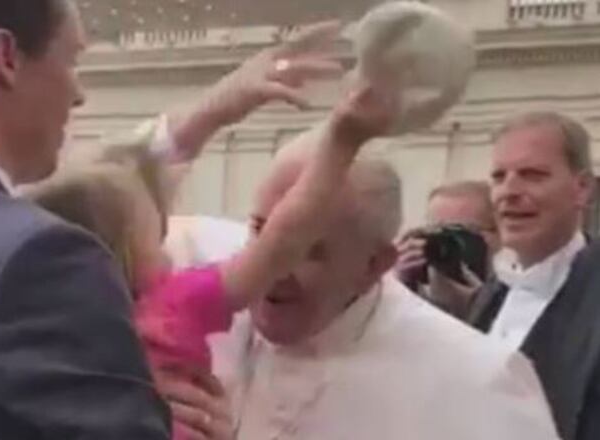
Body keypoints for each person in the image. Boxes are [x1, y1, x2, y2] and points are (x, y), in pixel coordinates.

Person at [0, 0, 342, 438]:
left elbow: (106, 176)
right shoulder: (39, 256)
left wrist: (220, 106)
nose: (80, 93)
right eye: (71, 61)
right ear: (5, 58)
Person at [30, 81, 394, 439]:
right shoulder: (174, 303)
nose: (170, 249)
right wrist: (341, 143)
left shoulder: (47, 330)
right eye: (157, 236)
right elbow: (283, 240)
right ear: (120, 256)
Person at [199, 134, 560, 439]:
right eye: (260, 230)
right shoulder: (202, 306)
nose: (269, 265)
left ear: (374, 265)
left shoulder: (480, 383)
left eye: (310, 250)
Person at [468, 111, 596, 440]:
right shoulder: (490, 293)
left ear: (582, 188)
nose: (508, 191)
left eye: (532, 175)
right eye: (499, 177)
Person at [396, 180, 499, 318]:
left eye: (459, 232)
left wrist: (476, 305)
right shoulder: (415, 289)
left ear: (500, 234)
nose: (445, 242)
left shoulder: (513, 293)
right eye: (435, 231)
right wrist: (402, 287)